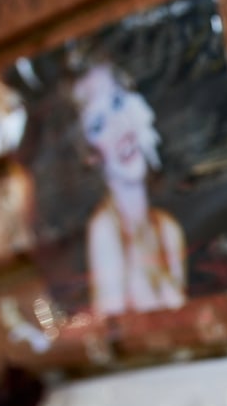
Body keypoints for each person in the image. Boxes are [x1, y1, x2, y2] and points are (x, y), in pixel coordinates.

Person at [70, 60, 186, 316]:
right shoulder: (105, 230)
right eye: (98, 125)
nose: (119, 128)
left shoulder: (168, 229)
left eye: (118, 103)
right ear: (89, 154)